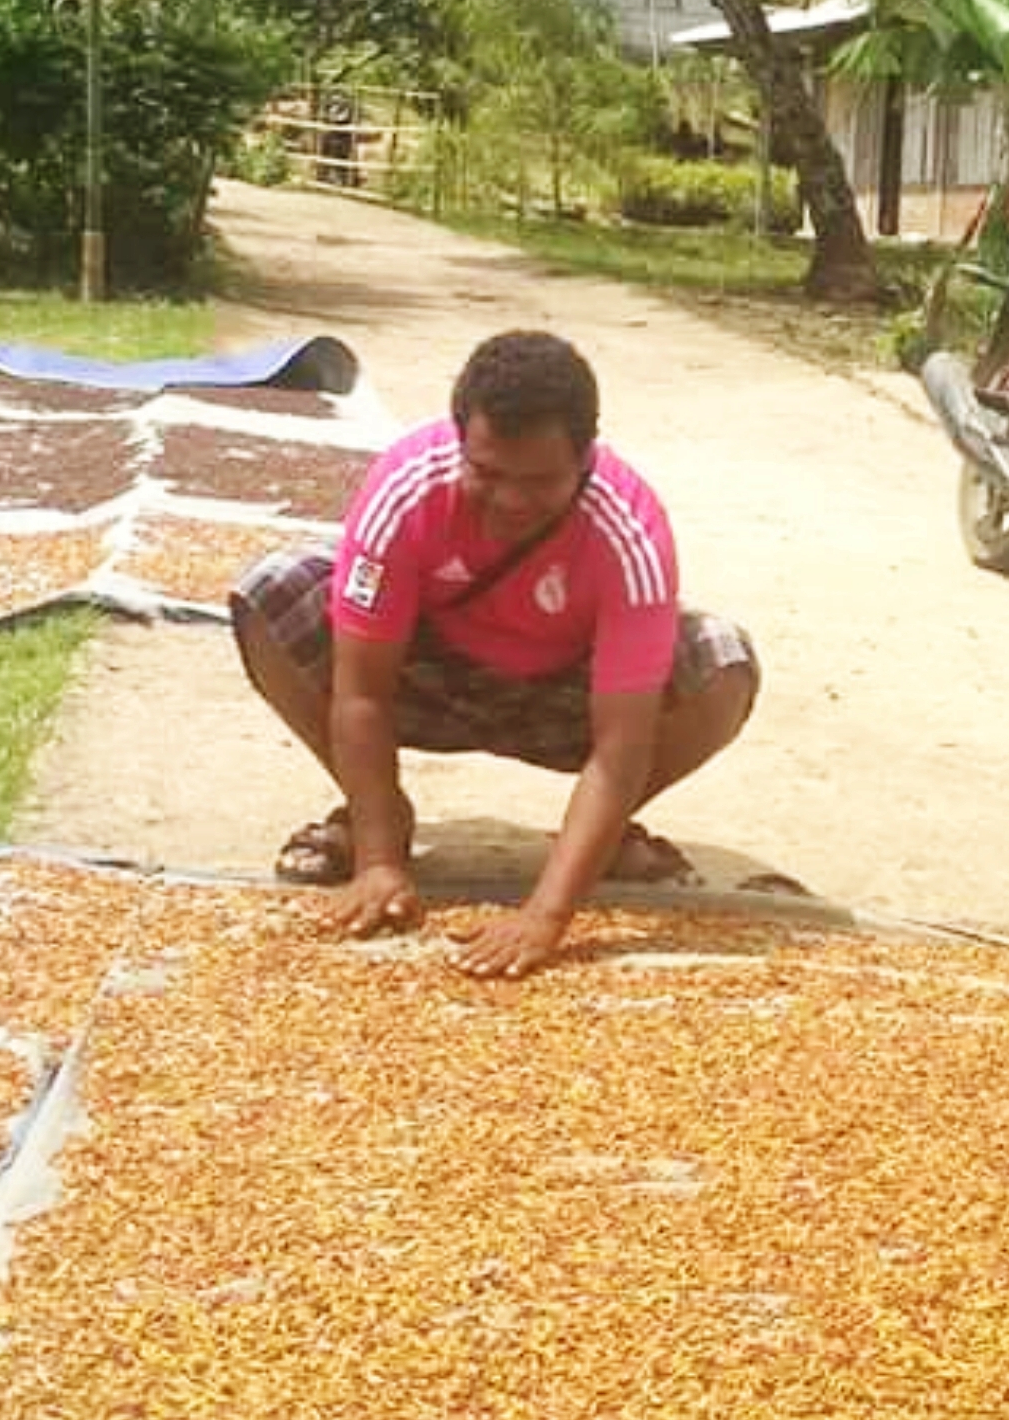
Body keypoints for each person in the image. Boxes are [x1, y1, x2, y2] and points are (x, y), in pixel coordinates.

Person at [230, 330, 758, 978]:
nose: (511, 501)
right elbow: (362, 691)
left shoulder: (629, 529)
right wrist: (378, 862)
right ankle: (377, 813)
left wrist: (546, 916)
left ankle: (592, 841)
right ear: (459, 442)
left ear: (585, 458)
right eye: (486, 474)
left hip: (565, 701)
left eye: (540, 481)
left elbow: (621, 746)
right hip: (425, 682)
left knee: (723, 662)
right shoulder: (406, 487)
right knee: (271, 590)